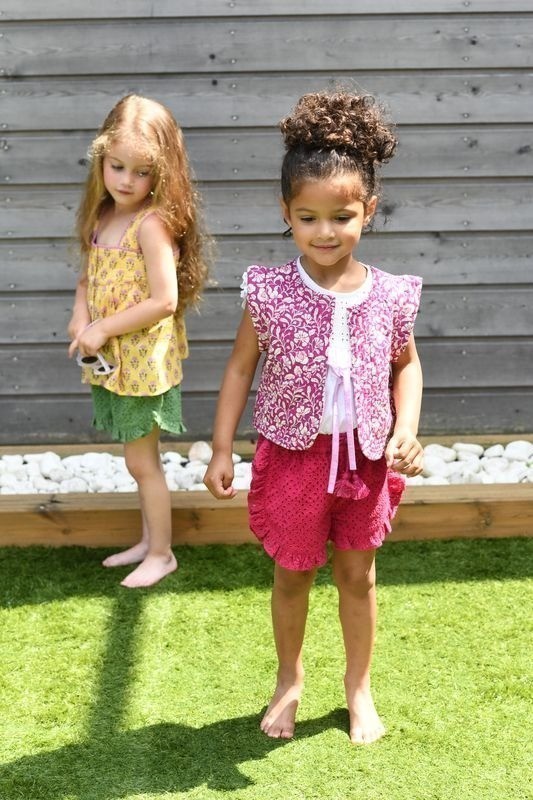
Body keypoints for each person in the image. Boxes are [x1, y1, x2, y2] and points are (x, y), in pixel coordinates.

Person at [203, 89, 424, 743]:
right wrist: (222, 448)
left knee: (358, 574)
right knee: (292, 573)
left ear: (368, 211)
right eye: (308, 218)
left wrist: (406, 429)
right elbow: (239, 369)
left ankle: (358, 688)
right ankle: (289, 680)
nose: (325, 232)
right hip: (292, 458)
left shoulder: (389, 295)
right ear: (287, 214)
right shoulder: (269, 292)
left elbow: (406, 366)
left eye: (341, 217)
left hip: (365, 458)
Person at [68, 94, 209, 588]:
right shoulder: (103, 215)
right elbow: (88, 278)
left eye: (141, 172)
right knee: (137, 461)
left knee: (141, 461)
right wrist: (81, 317)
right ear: (101, 159)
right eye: (117, 166)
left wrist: (104, 327)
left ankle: (163, 553)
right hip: (115, 360)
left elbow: (165, 300)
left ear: (162, 173)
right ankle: (149, 542)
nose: (126, 180)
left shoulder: (150, 226)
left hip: (143, 362)